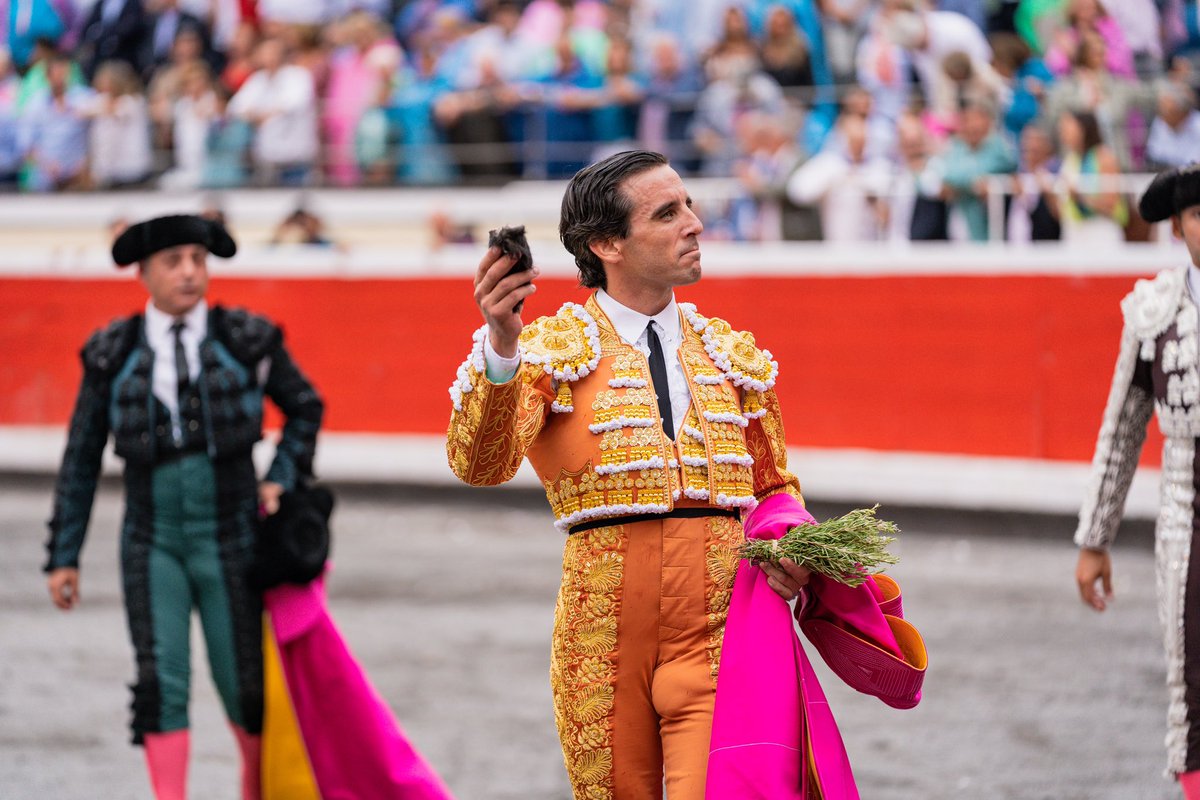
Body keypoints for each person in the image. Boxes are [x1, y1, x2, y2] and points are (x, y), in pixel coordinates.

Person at [446, 149, 925, 798]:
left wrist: (793, 546)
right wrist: (500, 348)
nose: (694, 223)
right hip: (601, 643)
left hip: (721, 633)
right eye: (668, 213)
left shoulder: (732, 355)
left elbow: (774, 485)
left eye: (689, 205)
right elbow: (480, 466)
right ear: (607, 243)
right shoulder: (546, 352)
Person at [43, 214, 324, 800]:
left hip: (232, 537)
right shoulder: (110, 353)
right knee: (160, 684)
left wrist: (281, 475)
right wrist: (62, 554)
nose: (190, 272)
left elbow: (305, 406)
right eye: (174, 261)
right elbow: (81, 456)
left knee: (245, 687)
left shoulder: (247, 340)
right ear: (143, 273)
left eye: (198, 258)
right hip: (152, 542)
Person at [1075, 162, 1200, 797]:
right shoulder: (1154, 310)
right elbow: (1123, 430)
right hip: (1187, 502)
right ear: (1178, 225)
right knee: (1192, 666)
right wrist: (1096, 539)